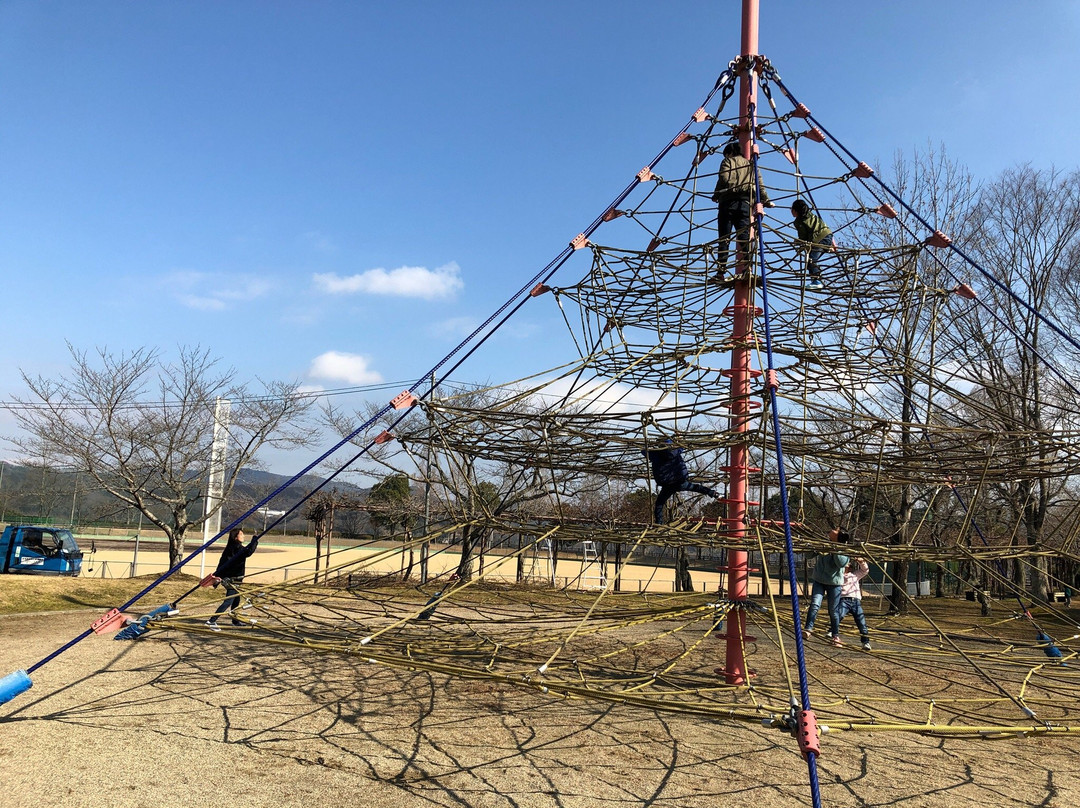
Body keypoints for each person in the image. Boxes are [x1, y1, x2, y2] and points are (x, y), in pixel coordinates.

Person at [711, 141, 774, 278]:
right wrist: (766, 200)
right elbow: (759, 184)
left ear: (730, 152)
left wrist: (717, 195)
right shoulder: (752, 165)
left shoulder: (727, 161)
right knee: (744, 236)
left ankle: (721, 271)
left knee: (724, 237)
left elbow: (723, 178)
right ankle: (748, 269)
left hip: (727, 202)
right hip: (745, 203)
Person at [643, 440, 720, 525]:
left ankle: (659, 523)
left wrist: (650, 445)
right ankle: (712, 493)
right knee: (696, 487)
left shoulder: (655, 455)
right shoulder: (676, 451)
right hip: (680, 481)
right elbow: (682, 447)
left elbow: (643, 451)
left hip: (667, 484)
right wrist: (677, 440)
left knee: (659, 504)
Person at [802, 528, 851, 646]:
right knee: (815, 604)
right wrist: (810, 546)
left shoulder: (844, 549)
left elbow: (841, 562)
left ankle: (835, 635)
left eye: (836, 530)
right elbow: (809, 555)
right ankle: (808, 629)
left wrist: (833, 548)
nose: (832, 530)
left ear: (839, 536)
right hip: (819, 580)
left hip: (834, 584)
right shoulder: (823, 543)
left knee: (833, 611)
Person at [206, 527, 259, 630]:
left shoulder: (231, 548)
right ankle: (211, 621)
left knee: (236, 599)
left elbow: (222, 563)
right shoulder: (237, 548)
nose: (243, 536)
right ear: (235, 537)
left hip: (231, 578)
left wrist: (218, 576)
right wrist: (255, 539)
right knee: (228, 601)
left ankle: (235, 620)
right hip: (231, 579)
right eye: (241, 534)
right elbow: (249, 552)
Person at [790, 199, 833, 291]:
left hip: (818, 240)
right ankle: (817, 277)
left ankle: (816, 281)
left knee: (810, 260)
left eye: (792, 209)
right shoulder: (811, 214)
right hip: (828, 235)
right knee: (813, 259)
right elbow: (820, 226)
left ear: (795, 210)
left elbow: (803, 237)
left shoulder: (799, 221)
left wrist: (798, 242)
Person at [836, 556, 872, 650]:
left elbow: (865, 570)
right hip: (844, 600)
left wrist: (861, 561)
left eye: (847, 567)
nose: (845, 568)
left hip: (855, 601)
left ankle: (865, 642)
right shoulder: (838, 576)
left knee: (861, 622)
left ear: (850, 568)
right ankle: (832, 632)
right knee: (838, 615)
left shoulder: (855, 575)